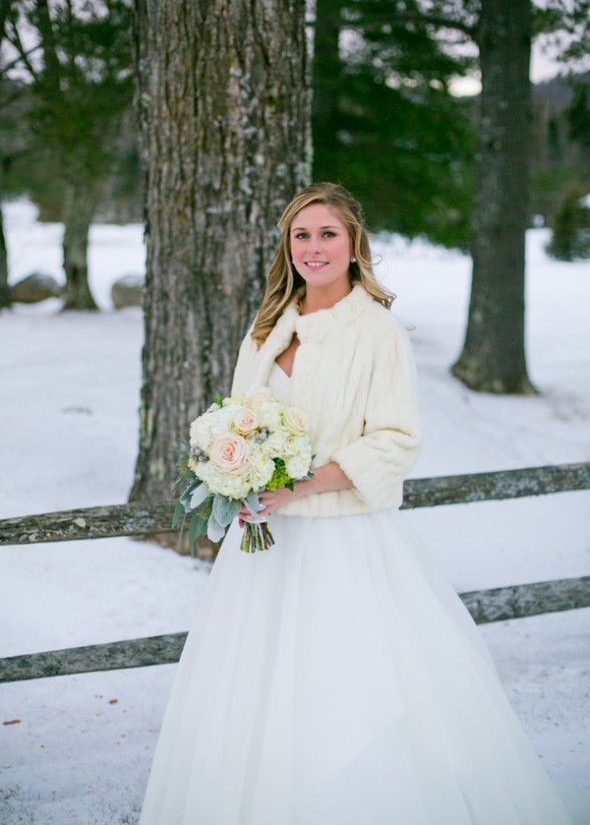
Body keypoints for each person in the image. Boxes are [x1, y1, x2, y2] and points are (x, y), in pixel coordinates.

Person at [139, 183, 577, 824]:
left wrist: (299, 485)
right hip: (263, 549)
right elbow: (240, 420)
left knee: (343, 698)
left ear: (354, 245)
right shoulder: (265, 329)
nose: (313, 248)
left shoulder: (377, 332)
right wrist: (236, 473)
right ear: (287, 247)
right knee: (251, 700)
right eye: (301, 235)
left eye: (328, 235)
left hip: (342, 542)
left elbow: (397, 442)